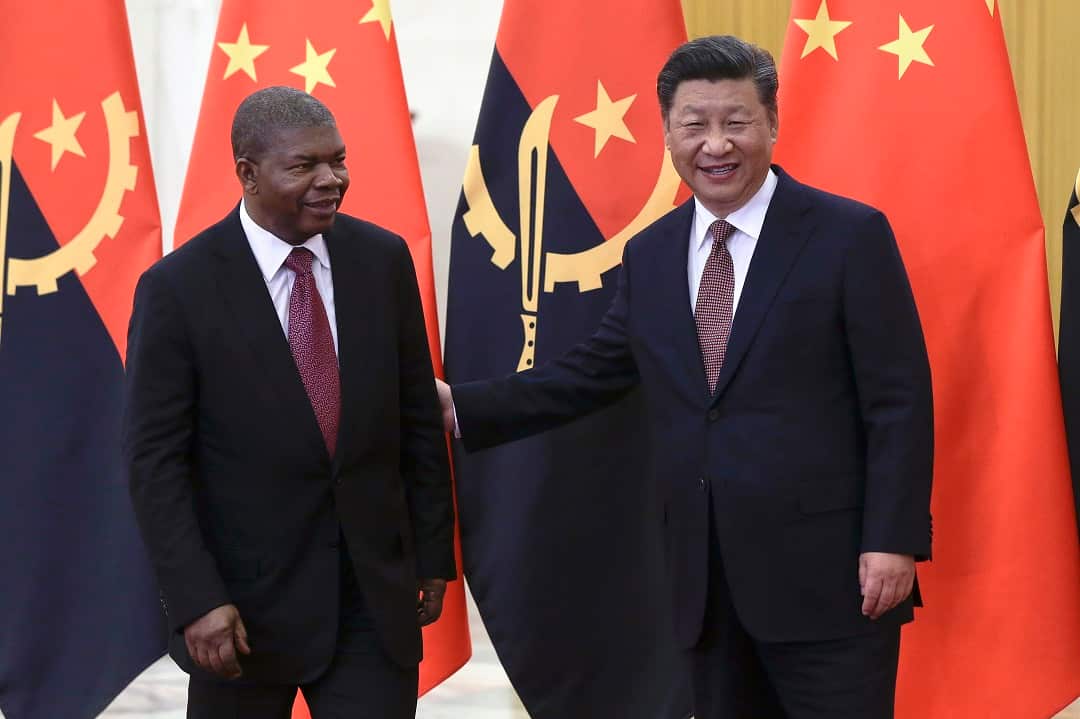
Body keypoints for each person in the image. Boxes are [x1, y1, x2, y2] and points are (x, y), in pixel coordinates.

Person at [438, 35, 933, 718]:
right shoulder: (652, 251)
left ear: (772, 124)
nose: (716, 144)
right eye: (694, 124)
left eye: (736, 122)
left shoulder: (848, 236)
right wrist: (460, 405)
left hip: (832, 578)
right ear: (667, 132)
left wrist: (893, 538)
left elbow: (898, 401)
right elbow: (592, 371)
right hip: (704, 582)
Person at [123, 86, 455, 719]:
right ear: (247, 173)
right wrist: (195, 599)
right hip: (239, 614)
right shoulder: (178, 288)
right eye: (305, 166)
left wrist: (433, 554)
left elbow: (415, 417)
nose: (331, 180)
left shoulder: (382, 260)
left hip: (372, 601)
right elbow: (154, 461)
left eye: (338, 160)